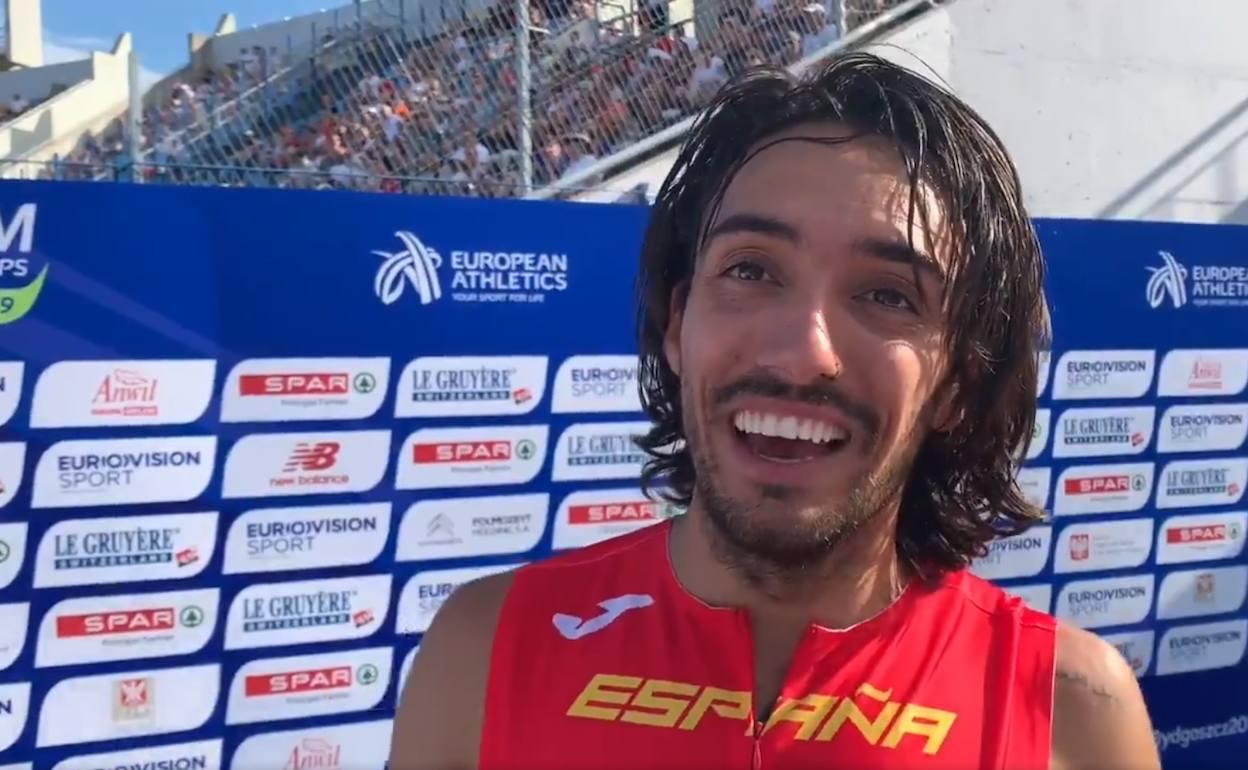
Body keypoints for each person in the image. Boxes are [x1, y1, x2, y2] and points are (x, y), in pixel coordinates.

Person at [388, 52, 1162, 770]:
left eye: (888, 294)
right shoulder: (483, 648)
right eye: (752, 269)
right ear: (676, 326)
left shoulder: (1072, 709)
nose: (802, 353)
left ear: (959, 379)